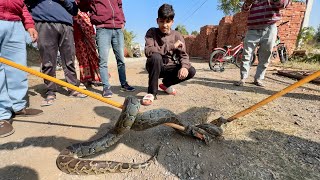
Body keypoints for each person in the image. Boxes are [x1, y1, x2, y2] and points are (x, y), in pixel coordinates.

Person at [25, 0, 87, 107]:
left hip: (66, 25)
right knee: (47, 60)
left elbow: (74, 10)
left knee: (69, 59)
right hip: (44, 22)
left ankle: (73, 89)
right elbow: (24, 4)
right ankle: (50, 91)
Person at [0, 0, 43, 138]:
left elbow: (22, 4)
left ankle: (18, 106)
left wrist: (29, 24)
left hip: (15, 23)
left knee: (18, 68)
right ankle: (2, 115)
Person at [78, 0, 135, 98]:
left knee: (121, 59)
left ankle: (124, 84)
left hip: (117, 28)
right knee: (103, 60)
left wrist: (122, 21)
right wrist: (95, 17)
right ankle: (106, 87)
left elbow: (120, 5)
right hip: (102, 28)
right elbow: (82, 5)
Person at [142, 4, 196, 106]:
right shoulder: (151, 32)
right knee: (155, 56)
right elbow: (148, 50)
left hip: (169, 68)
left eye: (168, 22)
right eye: (162, 21)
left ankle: (166, 84)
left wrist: (184, 67)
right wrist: (171, 46)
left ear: (172, 22)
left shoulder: (177, 35)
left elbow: (183, 55)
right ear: (157, 21)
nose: (164, 25)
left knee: (191, 70)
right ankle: (151, 93)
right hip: (154, 66)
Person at [234, 0, 291, 87]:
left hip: (270, 27)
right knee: (246, 54)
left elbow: (283, 5)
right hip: (252, 28)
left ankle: (258, 78)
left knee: (265, 54)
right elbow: (244, 9)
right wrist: (248, 3)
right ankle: (243, 78)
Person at [73, 11, 102, 88]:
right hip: (78, 37)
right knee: (83, 58)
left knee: (93, 56)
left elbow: (90, 24)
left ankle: (95, 78)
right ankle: (85, 79)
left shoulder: (86, 12)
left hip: (89, 35)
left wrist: (92, 34)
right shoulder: (72, 10)